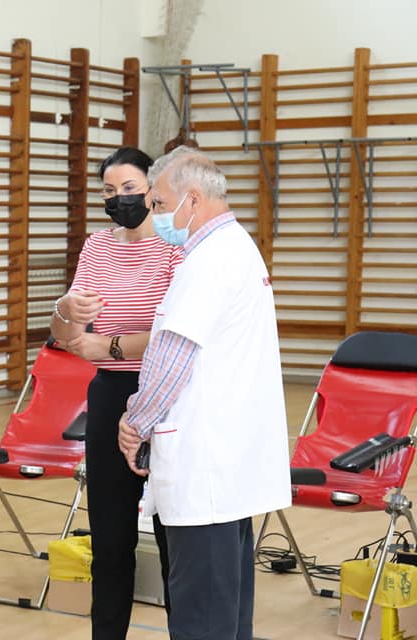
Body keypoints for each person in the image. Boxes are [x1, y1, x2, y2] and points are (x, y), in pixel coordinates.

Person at [118, 146, 291, 640]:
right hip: (226, 464)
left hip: (206, 468)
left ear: (191, 200)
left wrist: (134, 422)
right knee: (228, 616)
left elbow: (172, 358)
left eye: (158, 203)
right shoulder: (236, 246)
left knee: (202, 618)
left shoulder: (210, 261)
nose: (154, 216)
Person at [50, 146, 182, 640]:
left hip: (166, 394)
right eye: (109, 190)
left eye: (129, 188)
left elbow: (174, 332)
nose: (118, 198)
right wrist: (65, 311)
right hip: (109, 394)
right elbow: (68, 335)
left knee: (173, 536)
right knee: (110, 537)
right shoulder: (97, 246)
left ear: (152, 189)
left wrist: (109, 345)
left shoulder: (175, 248)